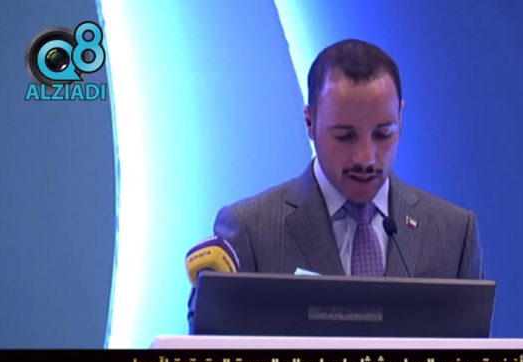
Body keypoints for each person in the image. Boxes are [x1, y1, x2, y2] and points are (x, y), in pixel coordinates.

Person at [188, 39, 484, 321]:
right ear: (310, 122)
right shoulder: (250, 231)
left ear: (401, 118)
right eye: (344, 136)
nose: (366, 158)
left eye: (383, 134)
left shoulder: (453, 233)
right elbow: (211, 348)